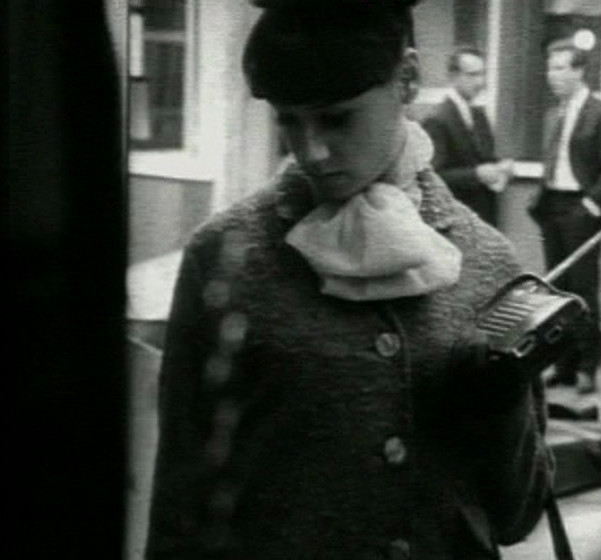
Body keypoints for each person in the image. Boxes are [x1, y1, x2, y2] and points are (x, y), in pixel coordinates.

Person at [145, 1, 552, 558]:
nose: (311, 150)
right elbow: (181, 500)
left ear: (407, 78)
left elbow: (516, 514)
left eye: (336, 118)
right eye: (288, 120)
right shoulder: (224, 255)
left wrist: (501, 399)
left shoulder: (489, 261)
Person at [528, 37, 601, 395]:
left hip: (582, 211)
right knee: (556, 291)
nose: (551, 76)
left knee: (583, 291)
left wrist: (589, 208)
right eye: (549, 68)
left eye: (559, 68)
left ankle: (586, 366)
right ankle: (562, 364)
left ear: (579, 70)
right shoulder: (553, 115)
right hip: (552, 207)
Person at [421, 46, 513, 227]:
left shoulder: (479, 115)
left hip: (484, 218)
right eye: (472, 75)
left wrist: (501, 168)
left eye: (482, 74)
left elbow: (485, 158)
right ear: (453, 77)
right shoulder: (437, 120)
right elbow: (434, 177)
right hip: (456, 221)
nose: (480, 82)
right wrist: (476, 175)